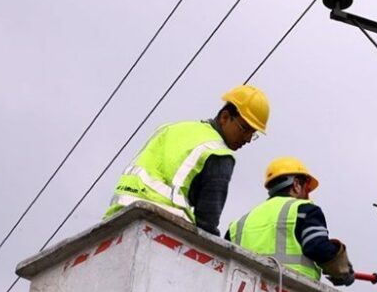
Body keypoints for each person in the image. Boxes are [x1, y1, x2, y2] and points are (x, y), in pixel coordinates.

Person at [104, 85, 269, 235]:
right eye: (245, 129)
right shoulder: (219, 153)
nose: (247, 138)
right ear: (225, 117)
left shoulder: (170, 128)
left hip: (117, 216)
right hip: (162, 224)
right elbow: (207, 222)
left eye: (253, 134)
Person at [226, 157, 354, 286]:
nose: (307, 195)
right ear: (296, 185)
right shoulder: (304, 210)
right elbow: (317, 247)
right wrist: (342, 271)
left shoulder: (239, 223)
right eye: (307, 189)